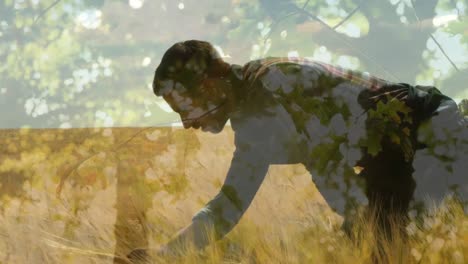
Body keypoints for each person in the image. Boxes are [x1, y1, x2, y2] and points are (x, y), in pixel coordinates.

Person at [128, 40, 468, 261]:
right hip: (401, 153)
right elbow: (229, 205)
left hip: (430, 130)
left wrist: (363, 222)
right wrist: (165, 255)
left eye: (185, 107)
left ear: (211, 81)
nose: (187, 123)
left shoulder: (276, 83)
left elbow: (333, 162)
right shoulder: (252, 120)